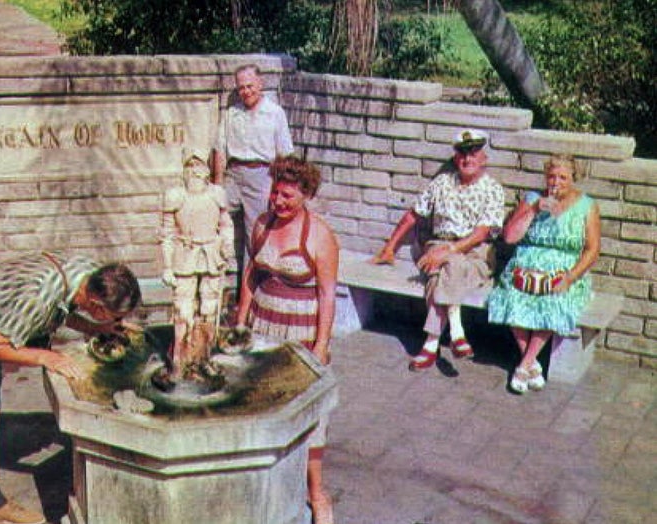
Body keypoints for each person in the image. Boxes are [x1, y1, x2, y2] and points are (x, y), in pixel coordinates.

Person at [0, 252, 141, 524]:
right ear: (96, 304)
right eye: (113, 317)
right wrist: (46, 357)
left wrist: (97, 329)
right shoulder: (41, 294)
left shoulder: (91, 275)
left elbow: (62, 311)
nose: (115, 322)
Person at [235, 155, 339, 524]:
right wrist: (241, 317)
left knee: (309, 412)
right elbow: (252, 273)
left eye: (288, 197)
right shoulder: (262, 223)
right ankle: (261, 478)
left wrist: (321, 345)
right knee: (258, 401)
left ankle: (316, 492)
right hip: (263, 325)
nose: (278, 202)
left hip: (300, 329)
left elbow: (327, 295)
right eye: (276, 193)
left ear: (307, 194)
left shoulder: (320, 236)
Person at [371, 129, 505, 370]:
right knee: (447, 266)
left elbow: (482, 233)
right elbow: (414, 214)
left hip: (476, 251)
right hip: (438, 244)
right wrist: (390, 246)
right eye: (462, 153)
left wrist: (450, 250)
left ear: (483, 157)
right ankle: (456, 333)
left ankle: (432, 343)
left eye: (473, 153)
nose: (467, 159)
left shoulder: (493, 188)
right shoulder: (442, 182)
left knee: (444, 269)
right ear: (455, 157)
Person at [488, 154, 600, 393]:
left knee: (553, 300)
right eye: (551, 176)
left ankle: (523, 365)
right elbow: (509, 237)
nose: (556, 182)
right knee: (508, 295)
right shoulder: (532, 199)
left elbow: (592, 250)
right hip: (525, 265)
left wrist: (570, 278)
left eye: (563, 177)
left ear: (573, 179)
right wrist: (533, 210)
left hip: (565, 270)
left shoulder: (587, 206)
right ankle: (533, 364)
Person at [212, 64, 295, 270]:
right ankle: (213, 284)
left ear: (260, 84)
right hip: (233, 175)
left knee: (255, 236)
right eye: (241, 87)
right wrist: (217, 186)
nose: (246, 91)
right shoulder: (232, 113)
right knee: (211, 217)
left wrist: (278, 189)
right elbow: (219, 150)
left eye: (250, 86)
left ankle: (251, 296)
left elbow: (285, 155)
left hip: (262, 177)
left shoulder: (275, 113)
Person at [161, 152, 235, 379]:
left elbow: (225, 224)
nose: (194, 171)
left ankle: (204, 356)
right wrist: (167, 266)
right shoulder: (175, 196)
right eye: (190, 167)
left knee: (210, 308)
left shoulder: (216, 194)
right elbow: (167, 234)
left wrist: (227, 244)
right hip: (185, 255)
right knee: (183, 310)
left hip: (211, 255)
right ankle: (180, 360)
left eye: (198, 166)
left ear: (206, 170)